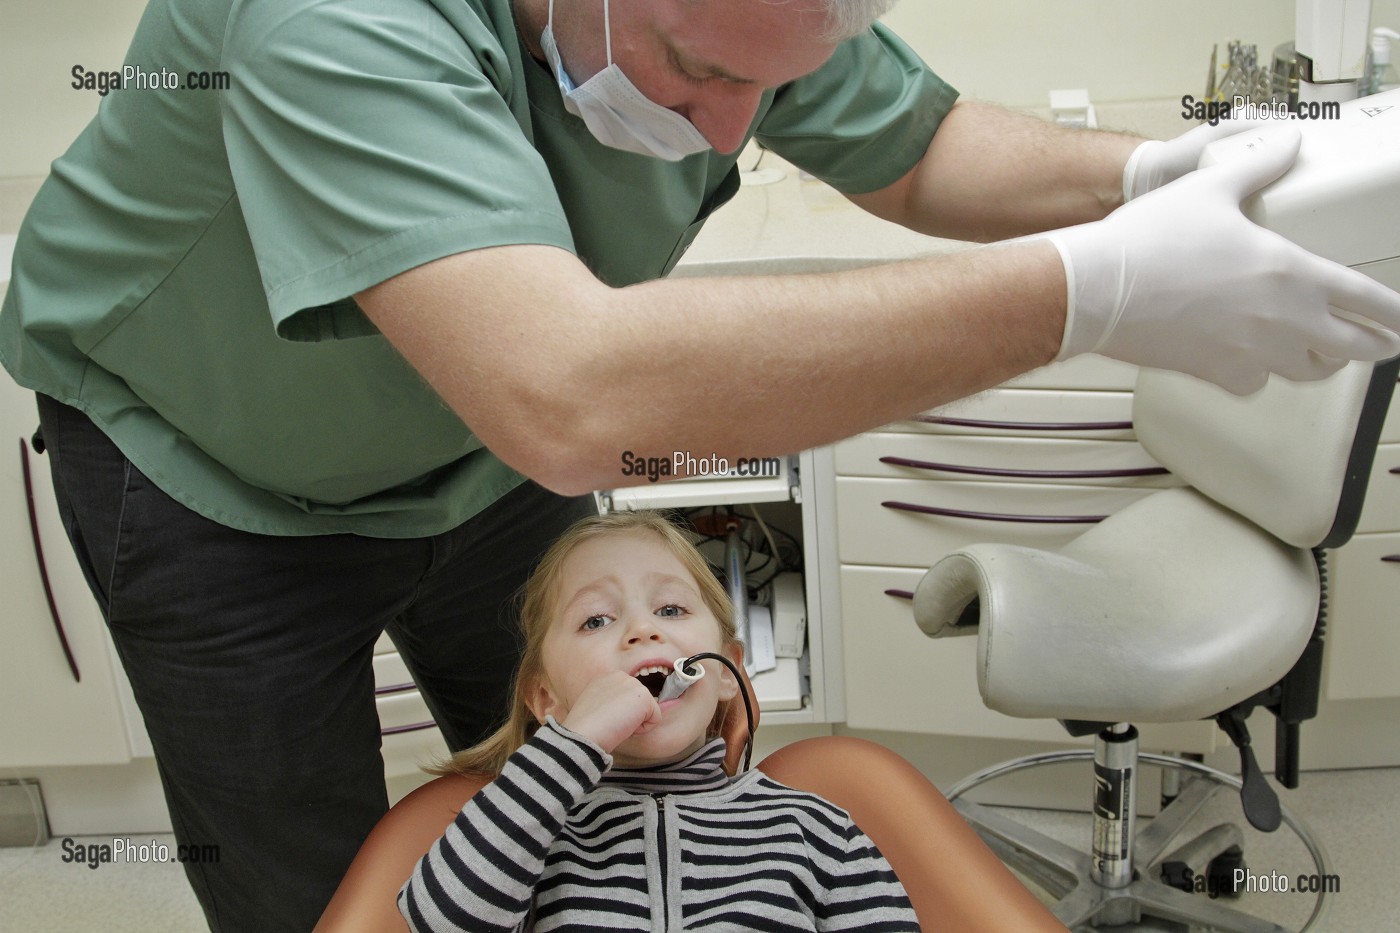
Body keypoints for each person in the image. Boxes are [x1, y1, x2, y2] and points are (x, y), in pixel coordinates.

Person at [3, 0, 1399, 929]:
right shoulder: (335, 20)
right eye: (704, 70)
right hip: (210, 474)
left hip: (483, 464)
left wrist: (1155, 176)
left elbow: (922, 149)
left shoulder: (815, 828)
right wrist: (1088, 293)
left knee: (638, 767)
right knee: (304, 885)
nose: (735, 131)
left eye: (774, 80)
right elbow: (564, 392)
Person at [397, 509, 919, 932]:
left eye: (671, 609)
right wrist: (573, 742)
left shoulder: (815, 828)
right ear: (547, 699)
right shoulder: (533, 843)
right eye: (596, 620)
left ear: (725, 673)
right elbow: (440, 920)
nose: (642, 629)